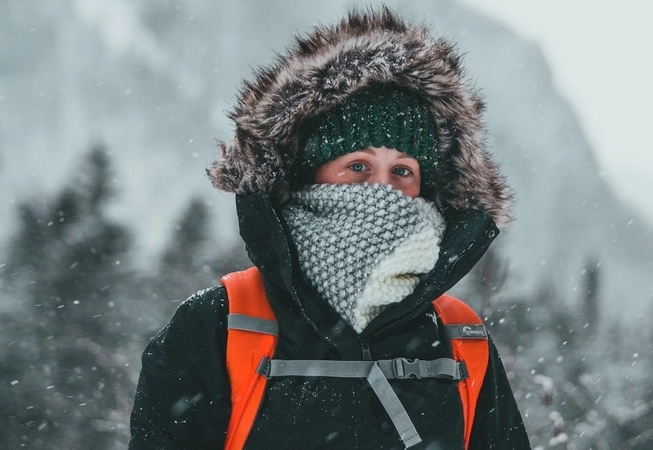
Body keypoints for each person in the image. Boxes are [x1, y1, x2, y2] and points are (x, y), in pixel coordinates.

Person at [129, 6, 531, 450]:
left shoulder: (460, 340)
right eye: (357, 165)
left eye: (402, 171)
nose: (381, 189)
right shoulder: (221, 325)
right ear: (308, 174)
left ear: (428, 189)